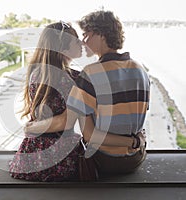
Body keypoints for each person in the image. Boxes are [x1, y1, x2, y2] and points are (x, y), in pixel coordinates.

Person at [25, 10, 150, 178]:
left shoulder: (90, 74)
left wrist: (31, 127)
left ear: (101, 35)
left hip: (105, 160)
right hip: (136, 157)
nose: (83, 42)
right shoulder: (140, 69)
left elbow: (88, 135)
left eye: (86, 35)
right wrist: (135, 142)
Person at [9, 21, 83, 181]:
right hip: (60, 155)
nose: (81, 43)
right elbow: (65, 122)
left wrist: (32, 127)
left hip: (32, 154)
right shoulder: (74, 79)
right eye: (76, 41)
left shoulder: (37, 73)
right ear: (63, 49)